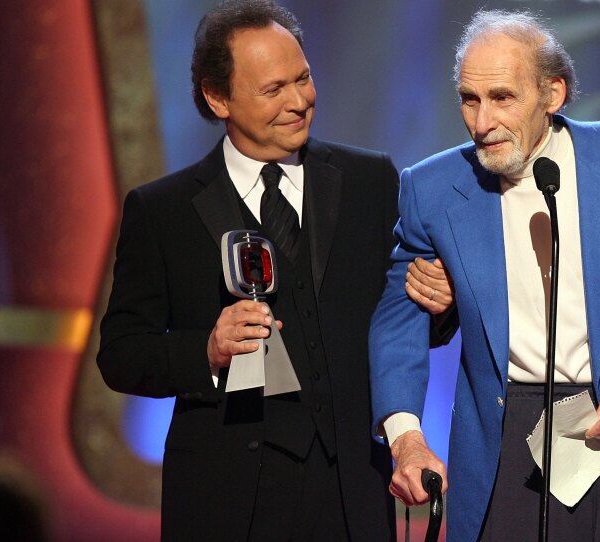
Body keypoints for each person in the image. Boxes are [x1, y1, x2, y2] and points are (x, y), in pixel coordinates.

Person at [369, 9, 600, 542]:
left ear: (553, 94)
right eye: (469, 99)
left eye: (502, 98)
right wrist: (405, 437)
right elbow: (397, 322)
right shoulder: (433, 189)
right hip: (506, 435)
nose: (481, 122)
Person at [98, 1, 401, 539]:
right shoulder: (162, 210)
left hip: (351, 492)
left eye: (303, 78)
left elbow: (407, 322)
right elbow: (122, 355)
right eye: (273, 89)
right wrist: (207, 351)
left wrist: (438, 300)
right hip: (226, 497)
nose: (299, 101)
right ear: (219, 99)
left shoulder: (370, 180)